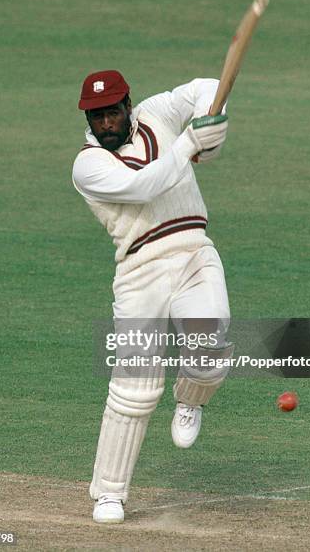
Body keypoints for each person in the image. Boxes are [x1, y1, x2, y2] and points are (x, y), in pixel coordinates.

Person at [72, 70, 233, 524]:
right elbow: (146, 186)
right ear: (88, 117)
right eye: (97, 115)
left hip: (193, 250)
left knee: (211, 343)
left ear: (128, 106)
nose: (107, 122)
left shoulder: (157, 113)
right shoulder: (87, 166)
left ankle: (191, 401)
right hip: (140, 270)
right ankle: (109, 493)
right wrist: (190, 144)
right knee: (135, 389)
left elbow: (209, 86)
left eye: (113, 112)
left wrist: (212, 124)